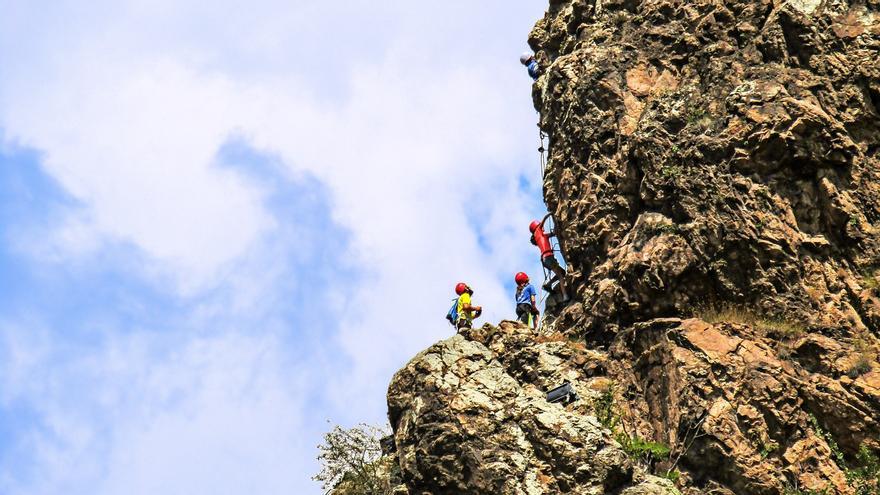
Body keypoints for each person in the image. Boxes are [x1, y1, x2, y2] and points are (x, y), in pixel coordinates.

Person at [530, 219, 569, 301]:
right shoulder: (538, 233)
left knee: (562, 272)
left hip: (546, 259)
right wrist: (549, 215)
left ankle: (548, 284)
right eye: (541, 226)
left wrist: (556, 231)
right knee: (561, 276)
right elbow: (543, 222)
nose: (542, 227)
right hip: (548, 257)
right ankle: (565, 296)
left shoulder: (542, 236)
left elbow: (553, 234)